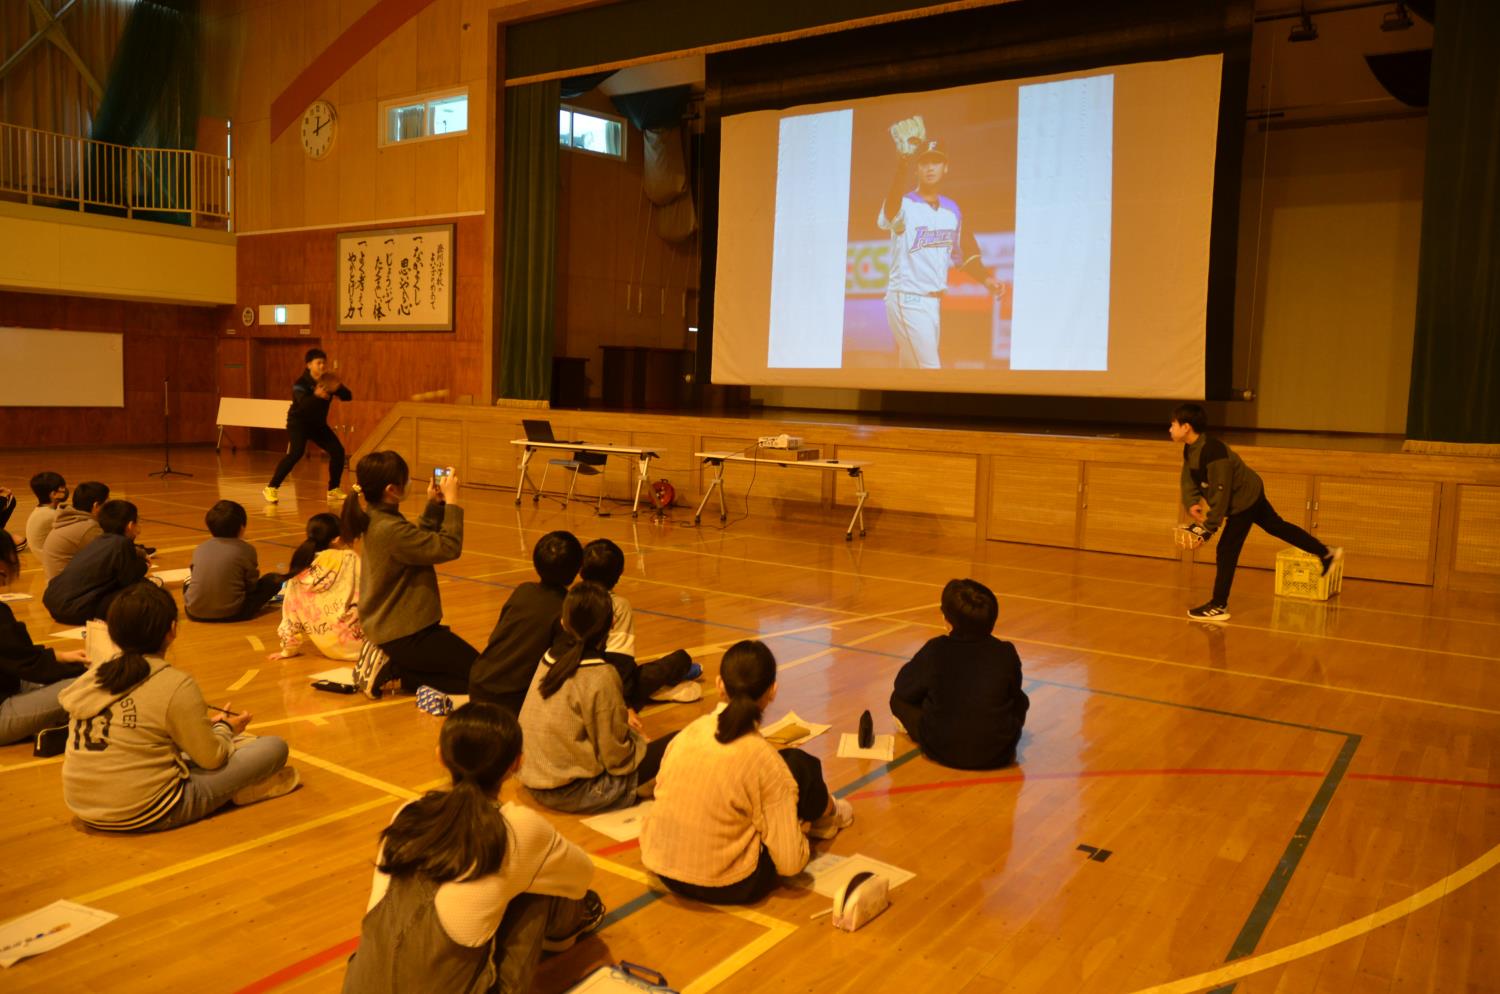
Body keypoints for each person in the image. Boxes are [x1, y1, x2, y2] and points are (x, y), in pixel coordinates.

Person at [342, 703, 605, 994]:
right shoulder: (517, 828)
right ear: (516, 764)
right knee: (539, 879)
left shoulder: (407, 813)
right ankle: (562, 938)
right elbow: (581, 875)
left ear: (440, 756)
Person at [60, 582, 298, 832]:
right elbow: (212, 758)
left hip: (82, 805)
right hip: (144, 810)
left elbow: (139, 732)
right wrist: (225, 729)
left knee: (216, 745)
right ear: (171, 630)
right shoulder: (174, 683)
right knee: (273, 748)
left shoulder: (95, 674)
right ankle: (241, 791)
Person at [640, 639, 854, 905]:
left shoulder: (686, 735)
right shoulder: (764, 761)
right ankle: (829, 812)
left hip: (664, 870)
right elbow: (790, 864)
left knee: (786, 769)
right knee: (799, 765)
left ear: (719, 685)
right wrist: (800, 830)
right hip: (729, 884)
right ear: (772, 691)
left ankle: (826, 812)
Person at [1172, 403, 1343, 621]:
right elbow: (1188, 475)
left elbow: (1221, 492)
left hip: (1244, 500)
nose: (1170, 429)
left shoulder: (1213, 452)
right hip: (1249, 491)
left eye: (1173, 424)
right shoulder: (1191, 448)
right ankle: (1325, 552)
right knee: (1276, 526)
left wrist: (1209, 527)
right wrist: (1192, 501)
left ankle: (1218, 605)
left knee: (1226, 550)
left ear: (1186, 427)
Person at [517, 582, 675, 814]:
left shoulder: (549, 657)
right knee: (679, 742)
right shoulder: (601, 674)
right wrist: (638, 741)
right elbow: (617, 760)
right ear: (612, 623)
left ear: (563, 621)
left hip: (531, 779)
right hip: (577, 792)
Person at [341, 451, 476, 697]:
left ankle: (401, 670)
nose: (411, 482)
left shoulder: (378, 516)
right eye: (406, 479)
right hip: (405, 633)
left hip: (396, 627)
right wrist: (453, 502)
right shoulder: (388, 528)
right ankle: (398, 670)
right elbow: (448, 547)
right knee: (484, 678)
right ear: (392, 490)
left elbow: (417, 545)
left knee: (471, 673)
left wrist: (434, 506)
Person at [879, 131, 1006, 369]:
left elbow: (965, 254)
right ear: (917, 169)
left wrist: (986, 280)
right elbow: (889, 214)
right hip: (907, 299)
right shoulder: (904, 204)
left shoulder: (952, 210)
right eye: (924, 162)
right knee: (930, 372)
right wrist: (902, 164)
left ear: (945, 167)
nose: (930, 167)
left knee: (910, 377)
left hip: (932, 304)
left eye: (935, 161)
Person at [889, 578, 1029, 769]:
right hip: (998, 754)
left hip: (941, 749)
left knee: (898, 699)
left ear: (947, 619)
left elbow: (903, 688)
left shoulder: (936, 649)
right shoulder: (1006, 652)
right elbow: (1015, 698)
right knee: (1019, 698)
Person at [469, 531, 583, 715]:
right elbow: (559, 665)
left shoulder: (523, 590)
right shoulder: (565, 609)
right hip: (510, 696)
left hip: (479, 681)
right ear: (577, 569)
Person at [578, 538, 698, 710]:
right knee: (681, 659)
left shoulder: (571, 599)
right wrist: (625, 705)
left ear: (581, 571)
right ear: (619, 574)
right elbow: (621, 660)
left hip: (575, 683)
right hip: (607, 686)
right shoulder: (618, 605)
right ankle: (662, 687)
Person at [0, 532, 88, 745]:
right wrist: (84, 669)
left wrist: (62, 656)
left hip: (9, 683)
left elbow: (17, 656)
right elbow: (31, 665)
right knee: (85, 684)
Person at [274, 512, 372, 662]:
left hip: (330, 649)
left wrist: (288, 650)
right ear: (337, 539)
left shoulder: (299, 568)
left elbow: (290, 617)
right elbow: (370, 591)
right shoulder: (348, 558)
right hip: (365, 647)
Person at [264, 349, 353, 504]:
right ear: (309, 365)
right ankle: (271, 487)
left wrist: (339, 388)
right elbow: (304, 405)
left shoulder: (327, 380)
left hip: (318, 425)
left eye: (324, 362)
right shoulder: (301, 384)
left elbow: (348, 397)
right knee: (296, 453)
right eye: (318, 363)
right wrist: (316, 396)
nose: (322, 365)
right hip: (298, 423)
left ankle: (333, 489)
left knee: (338, 451)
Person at [43, 499, 149, 625]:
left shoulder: (99, 540)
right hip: (74, 609)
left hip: (54, 602)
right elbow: (128, 581)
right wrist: (143, 565)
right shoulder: (121, 543)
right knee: (141, 593)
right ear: (131, 525)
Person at [183, 500, 284, 623]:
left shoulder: (200, 548)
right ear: (242, 527)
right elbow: (251, 586)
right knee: (273, 580)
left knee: (188, 583)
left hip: (194, 612)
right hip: (234, 613)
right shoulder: (246, 549)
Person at [40, 481, 109, 581]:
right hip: (69, 590)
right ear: (96, 506)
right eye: (107, 503)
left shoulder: (71, 518)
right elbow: (113, 553)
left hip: (56, 587)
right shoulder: (88, 528)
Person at [24, 472, 68, 561]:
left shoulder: (41, 510)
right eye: (62, 488)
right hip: (54, 560)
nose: (65, 490)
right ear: (53, 494)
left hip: (45, 556)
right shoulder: (51, 515)